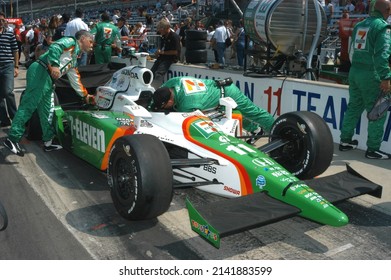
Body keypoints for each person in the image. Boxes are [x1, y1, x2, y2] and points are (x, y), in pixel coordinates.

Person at [3, 30, 95, 157]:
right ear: (83, 38)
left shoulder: (74, 59)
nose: (91, 45)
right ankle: (12, 138)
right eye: (90, 42)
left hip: (47, 78)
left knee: (47, 110)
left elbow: (75, 80)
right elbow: (55, 46)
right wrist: (55, 65)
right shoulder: (71, 41)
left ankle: (48, 141)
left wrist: (85, 96)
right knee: (29, 105)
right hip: (41, 71)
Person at [339, 0, 391, 159]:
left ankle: (345, 141)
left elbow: (351, 50)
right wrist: (386, 77)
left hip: (355, 72)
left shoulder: (359, 25)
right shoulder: (382, 27)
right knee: (377, 111)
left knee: (354, 106)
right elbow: (382, 55)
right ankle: (373, 149)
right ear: (387, 10)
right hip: (371, 75)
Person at [151, 76, 275, 134]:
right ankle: (255, 130)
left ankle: (276, 130)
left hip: (228, 93)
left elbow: (198, 123)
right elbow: (160, 91)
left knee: (253, 113)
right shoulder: (173, 81)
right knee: (237, 115)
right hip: (216, 91)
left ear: (170, 102)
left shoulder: (187, 105)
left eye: (164, 107)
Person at [0, 15, 19, 128]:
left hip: (7, 65)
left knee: (8, 92)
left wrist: (16, 66)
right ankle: (4, 119)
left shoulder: (9, 33)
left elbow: (15, 50)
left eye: (3, 20)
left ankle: (15, 117)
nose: (1, 22)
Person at [150, 19, 180, 89]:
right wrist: (158, 52)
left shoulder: (174, 37)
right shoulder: (163, 36)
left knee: (159, 73)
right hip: (162, 57)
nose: (159, 31)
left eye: (161, 29)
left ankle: (156, 90)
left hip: (170, 58)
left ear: (166, 28)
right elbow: (162, 48)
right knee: (151, 72)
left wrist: (162, 52)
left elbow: (176, 52)